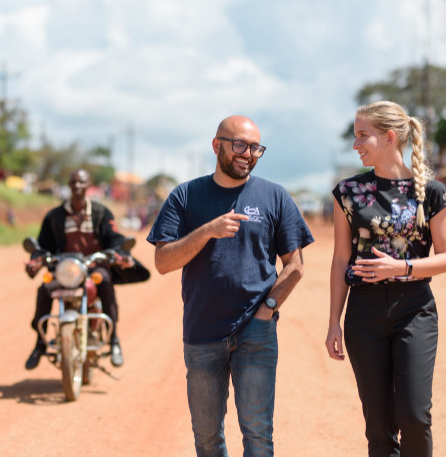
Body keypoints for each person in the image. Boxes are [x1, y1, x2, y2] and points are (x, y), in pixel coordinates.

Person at [147, 115, 314, 456]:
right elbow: (163, 262)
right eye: (239, 144)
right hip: (202, 331)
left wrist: (268, 309)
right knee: (207, 438)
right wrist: (206, 231)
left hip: (256, 331)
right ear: (216, 145)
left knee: (257, 435)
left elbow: (295, 266)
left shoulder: (275, 196)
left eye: (255, 147)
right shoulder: (186, 196)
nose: (248, 153)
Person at [325, 101, 446, 456]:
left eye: (362, 136)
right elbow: (340, 259)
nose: (356, 145)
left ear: (388, 137)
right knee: (379, 426)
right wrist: (334, 322)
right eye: (355, 137)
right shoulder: (348, 193)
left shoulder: (431, 192)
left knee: (415, 416)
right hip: (363, 312)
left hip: (414, 310)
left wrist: (402, 268)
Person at [25, 168, 149, 370]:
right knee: (45, 289)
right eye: (73, 182)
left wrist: (120, 254)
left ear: (88, 185)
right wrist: (35, 260)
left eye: (81, 182)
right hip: (65, 270)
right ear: (69, 185)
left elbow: (115, 239)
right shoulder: (55, 216)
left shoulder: (101, 212)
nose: (77, 186)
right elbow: (42, 245)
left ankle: (114, 339)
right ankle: (39, 342)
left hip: (94, 268)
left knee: (105, 282)